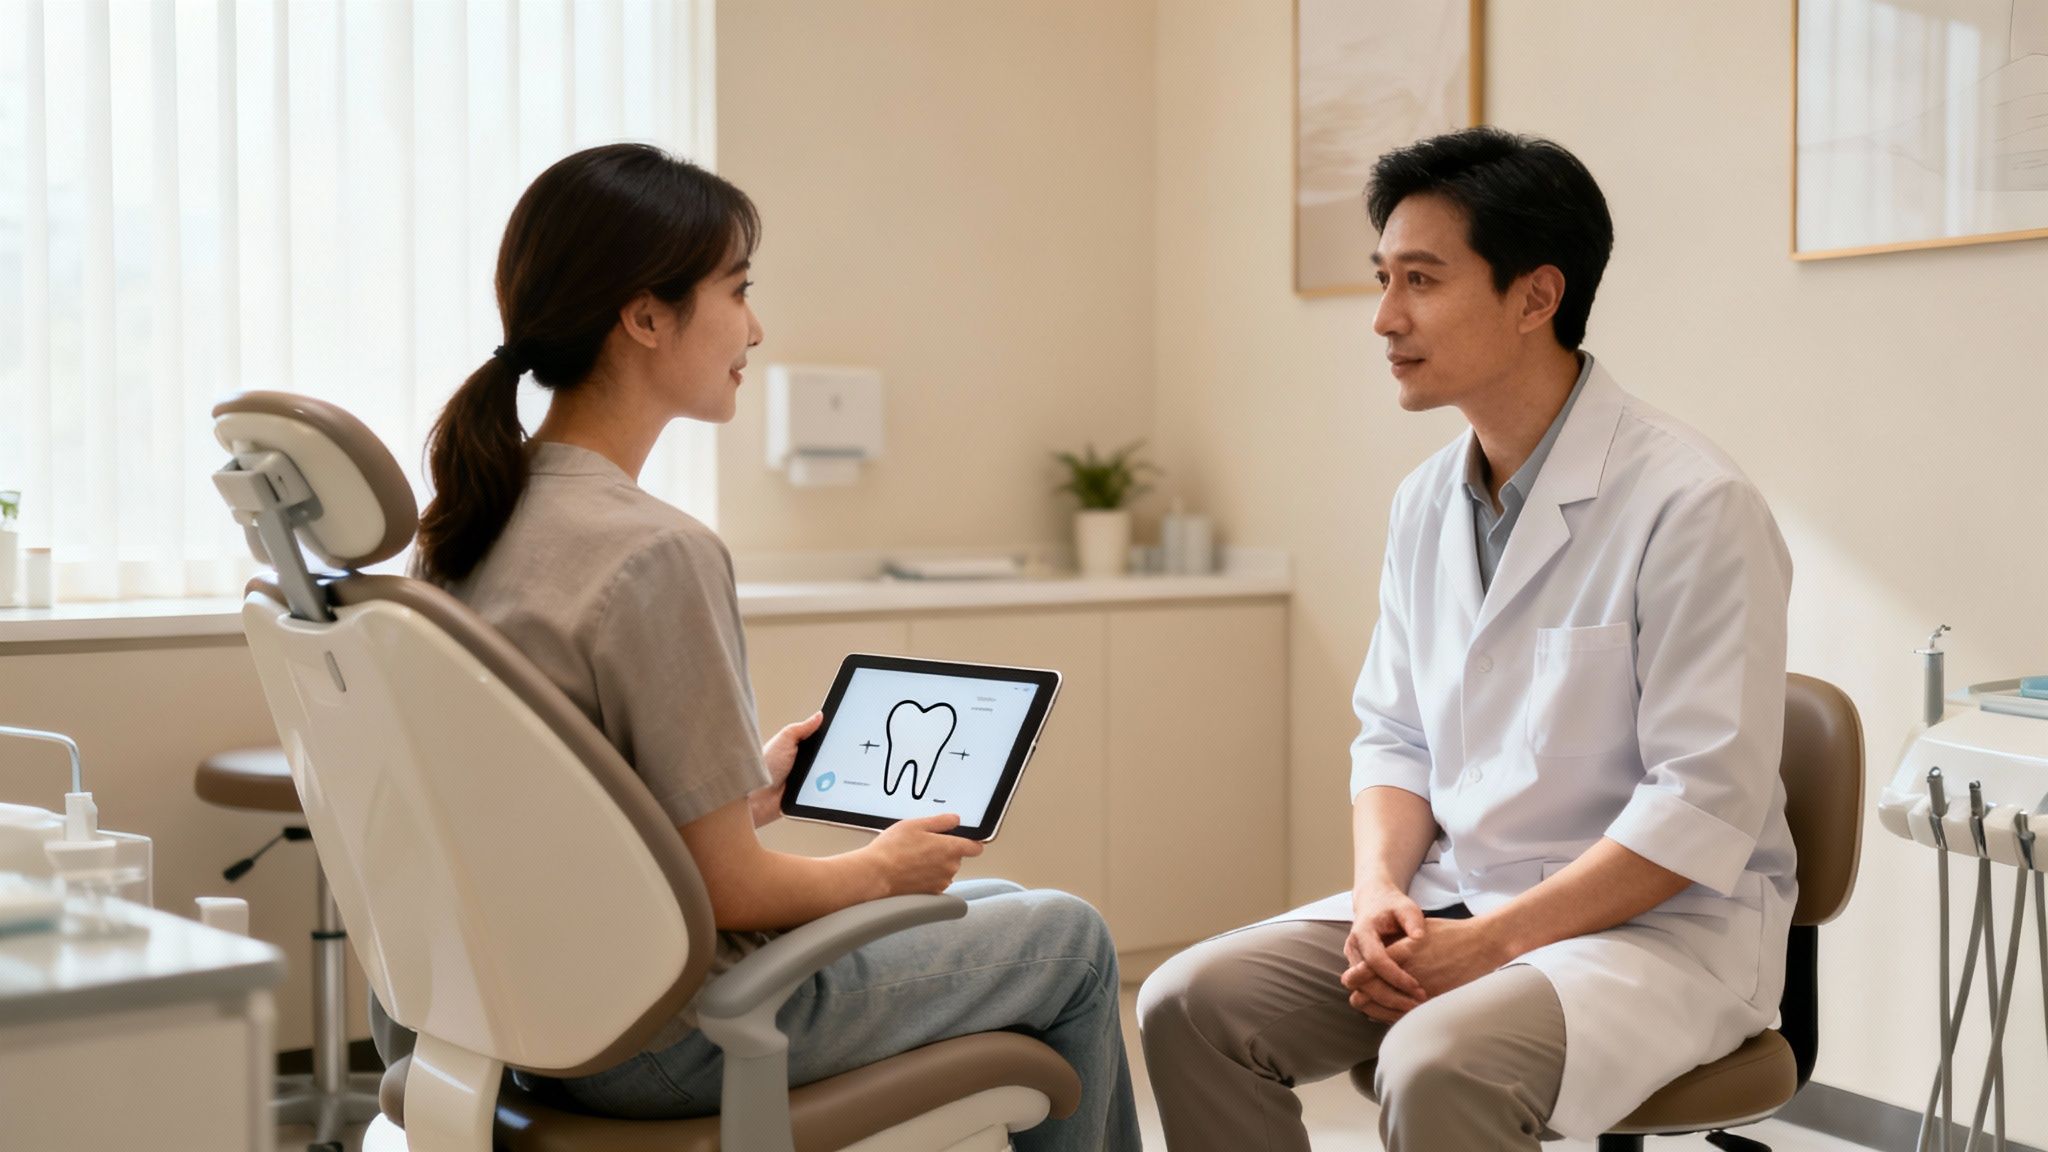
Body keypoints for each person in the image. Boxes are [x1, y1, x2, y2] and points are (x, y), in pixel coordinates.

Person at [394, 142, 1140, 1152]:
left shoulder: (467, 529)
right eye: (737, 291)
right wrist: (883, 868)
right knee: (1075, 944)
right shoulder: (655, 552)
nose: (756, 327)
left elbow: (559, 815)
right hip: (660, 1038)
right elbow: (729, 893)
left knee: (1002, 906)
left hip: (520, 1015)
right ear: (645, 316)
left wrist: (745, 794)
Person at [1137, 127, 1796, 1150]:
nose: (1383, 318)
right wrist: (1377, 893)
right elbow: (1393, 736)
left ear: (1535, 298)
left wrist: (1486, 947)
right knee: (1188, 1003)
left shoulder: (1692, 504)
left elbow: (1698, 805)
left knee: (1434, 1061)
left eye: (1420, 280)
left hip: (1653, 937)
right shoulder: (1423, 504)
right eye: (1382, 278)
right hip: (1457, 897)